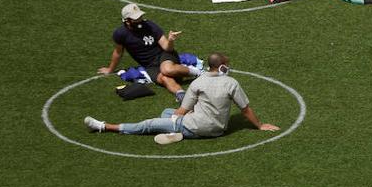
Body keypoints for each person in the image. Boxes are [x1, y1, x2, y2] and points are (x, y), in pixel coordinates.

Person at [84, 52, 280, 145]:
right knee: (166, 114)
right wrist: (260, 125)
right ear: (221, 67)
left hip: (197, 126)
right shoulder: (232, 83)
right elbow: (245, 109)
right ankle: (177, 133)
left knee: (151, 123)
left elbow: (181, 112)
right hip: (219, 129)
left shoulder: (198, 83)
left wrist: (174, 119)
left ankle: (105, 126)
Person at [99, 3, 199, 103]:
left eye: (140, 16)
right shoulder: (120, 34)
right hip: (150, 66)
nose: (139, 19)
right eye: (136, 18)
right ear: (127, 21)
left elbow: (166, 47)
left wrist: (171, 40)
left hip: (165, 55)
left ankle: (199, 73)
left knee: (166, 70)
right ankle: (182, 96)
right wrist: (110, 69)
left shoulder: (150, 26)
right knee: (164, 78)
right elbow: (118, 52)